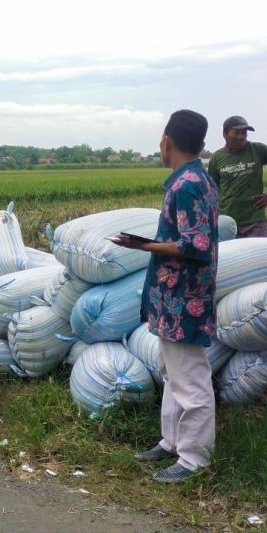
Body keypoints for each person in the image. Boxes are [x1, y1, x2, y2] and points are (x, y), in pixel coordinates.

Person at [114, 109, 218, 484]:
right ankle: (172, 442)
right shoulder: (194, 180)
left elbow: (198, 245)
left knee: (190, 378)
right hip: (174, 297)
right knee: (172, 372)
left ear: (166, 142)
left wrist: (147, 246)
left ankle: (194, 459)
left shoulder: (187, 184)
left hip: (185, 299)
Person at [207, 115, 267, 237]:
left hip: (255, 221)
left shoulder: (258, 150)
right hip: (227, 222)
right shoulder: (217, 158)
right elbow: (212, 190)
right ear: (225, 134)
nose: (241, 136)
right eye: (237, 132)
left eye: (244, 132)